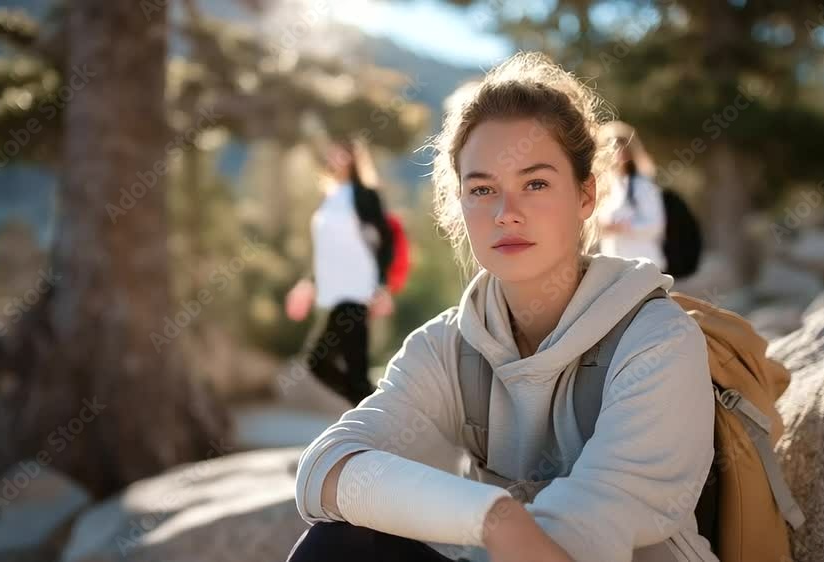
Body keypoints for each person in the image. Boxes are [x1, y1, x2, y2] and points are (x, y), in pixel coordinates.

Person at [289, 52, 716, 562]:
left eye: (535, 183)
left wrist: (489, 523)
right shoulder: (447, 345)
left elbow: (576, 542)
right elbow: (324, 469)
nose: (506, 213)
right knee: (337, 545)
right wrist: (494, 517)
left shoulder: (657, 340)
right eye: (483, 189)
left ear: (586, 195)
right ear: (459, 203)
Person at [285, 137, 395, 406]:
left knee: (321, 361)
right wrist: (308, 283)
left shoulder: (365, 195)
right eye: (334, 153)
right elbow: (325, 249)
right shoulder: (329, 196)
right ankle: (375, 411)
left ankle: (375, 413)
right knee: (343, 368)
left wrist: (381, 284)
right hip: (334, 292)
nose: (337, 159)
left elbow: (386, 240)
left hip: (357, 289)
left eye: (344, 154)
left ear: (355, 159)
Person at [595, 121, 668, 271]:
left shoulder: (643, 185)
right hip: (613, 267)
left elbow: (655, 225)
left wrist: (622, 227)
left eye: (620, 147)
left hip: (643, 267)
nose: (616, 153)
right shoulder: (603, 186)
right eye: (611, 147)